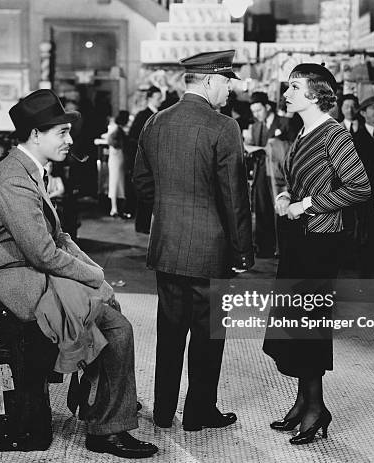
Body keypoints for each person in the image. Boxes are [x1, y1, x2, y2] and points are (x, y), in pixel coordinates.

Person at [0, 89, 157, 458]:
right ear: (35, 135)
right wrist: (92, 278)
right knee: (116, 328)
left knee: (107, 302)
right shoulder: (12, 179)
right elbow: (42, 252)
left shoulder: (27, 170)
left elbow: (59, 237)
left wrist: (93, 271)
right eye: (62, 133)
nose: (70, 140)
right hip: (16, 278)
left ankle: (96, 403)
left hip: (31, 268)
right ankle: (106, 430)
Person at [134, 50, 253, 431]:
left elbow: (141, 183)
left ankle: (164, 411)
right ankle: (199, 411)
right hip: (209, 250)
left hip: (167, 245)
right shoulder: (224, 127)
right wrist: (243, 252)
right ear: (208, 81)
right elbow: (234, 197)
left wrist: (169, 210)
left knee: (169, 333)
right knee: (206, 336)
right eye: (225, 82)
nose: (228, 90)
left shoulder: (155, 122)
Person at [263, 63, 370, 445]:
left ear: (315, 94)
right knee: (294, 324)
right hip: (299, 240)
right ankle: (302, 404)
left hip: (321, 242)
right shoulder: (303, 131)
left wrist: (307, 204)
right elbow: (295, 180)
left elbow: (359, 188)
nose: (286, 94)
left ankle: (315, 409)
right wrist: (284, 196)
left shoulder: (334, 134)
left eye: (294, 87)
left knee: (308, 325)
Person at [245, 91, 289, 258]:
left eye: (259, 110)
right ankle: (264, 248)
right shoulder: (256, 126)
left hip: (278, 174)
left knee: (279, 209)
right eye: (253, 112)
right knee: (262, 210)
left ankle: (282, 247)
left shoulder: (284, 123)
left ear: (267, 107)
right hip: (261, 173)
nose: (256, 115)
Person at [352, 94, 374, 291]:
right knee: (364, 234)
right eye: (373, 108)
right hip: (364, 194)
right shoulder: (356, 139)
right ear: (363, 113)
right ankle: (364, 278)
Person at [129, 86, 163, 233]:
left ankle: (149, 224)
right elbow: (133, 137)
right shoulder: (143, 115)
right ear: (149, 98)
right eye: (157, 97)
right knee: (145, 190)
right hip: (145, 157)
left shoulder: (160, 114)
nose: (160, 100)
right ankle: (142, 225)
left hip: (156, 158)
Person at [107, 110, 130, 218]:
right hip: (117, 156)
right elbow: (112, 141)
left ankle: (115, 207)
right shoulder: (117, 129)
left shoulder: (115, 128)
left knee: (115, 181)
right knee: (117, 182)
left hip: (115, 157)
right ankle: (115, 208)